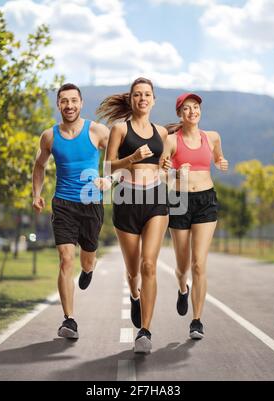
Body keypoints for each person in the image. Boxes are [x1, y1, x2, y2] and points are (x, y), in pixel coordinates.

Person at [96, 77, 170, 353]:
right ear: (131, 99)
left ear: (153, 99)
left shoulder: (161, 133)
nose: (142, 98)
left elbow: (163, 168)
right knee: (132, 270)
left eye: (147, 94)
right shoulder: (119, 129)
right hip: (126, 199)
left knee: (148, 265)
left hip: (156, 200)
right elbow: (108, 167)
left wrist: (166, 167)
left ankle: (145, 332)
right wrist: (132, 159)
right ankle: (135, 294)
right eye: (137, 94)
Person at [32, 83, 109, 339]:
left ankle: (88, 270)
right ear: (58, 105)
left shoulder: (97, 131)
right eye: (64, 101)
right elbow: (39, 165)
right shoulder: (49, 136)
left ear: (81, 103)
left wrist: (110, 179)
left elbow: (120, 157)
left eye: (73, 100)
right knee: (66, 259)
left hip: (91, 204)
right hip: (63, 203)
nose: (69, 105)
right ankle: (69, 320)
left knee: (87, 258)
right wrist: (37, 194)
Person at [164, 92, 228, 339]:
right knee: (182, 266)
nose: (192, 111)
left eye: (196, 107)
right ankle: (182, 288)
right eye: (187, 108)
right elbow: (162, 175)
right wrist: (175, 172)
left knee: (199, 263)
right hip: (179, 201)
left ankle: (197, 320)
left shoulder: (212, 137)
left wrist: (221, 162)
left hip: (206, 201)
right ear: (180, 113)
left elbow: (217, 157)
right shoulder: (171, 141)